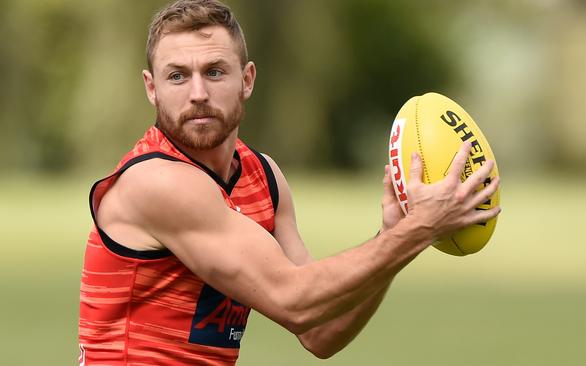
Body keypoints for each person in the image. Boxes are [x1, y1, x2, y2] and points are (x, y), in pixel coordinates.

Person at [77, 0, 501, 365]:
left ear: (247, 80)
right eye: (177, 76)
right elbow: (293, 300)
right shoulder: (156, 182)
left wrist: (394, 233)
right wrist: (418, 228)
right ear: (151, 88)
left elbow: (321, 331)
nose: (198, 92)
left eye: (215, 71)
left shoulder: (262, 176)